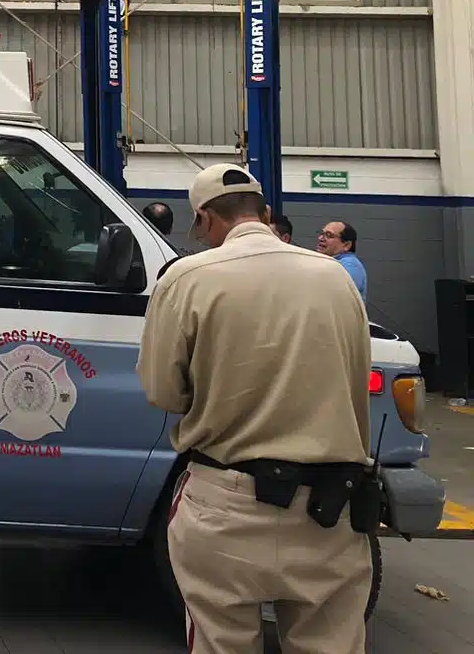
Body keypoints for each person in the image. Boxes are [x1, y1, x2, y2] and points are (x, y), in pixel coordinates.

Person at [138, 164, 374, 654]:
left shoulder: (187, 278)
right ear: (266, 213)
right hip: (330, 509)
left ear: (202, 220)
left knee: (222, 641)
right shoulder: (336, 279)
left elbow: (163, 393)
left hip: (227, 503)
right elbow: (355, 380)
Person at [317, 221, 367, 300]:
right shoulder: (330, 261)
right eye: (321, 233)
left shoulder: (350, 265)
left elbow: (331, 297)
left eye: (329, 235)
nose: (320, 238)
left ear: (346, 245)